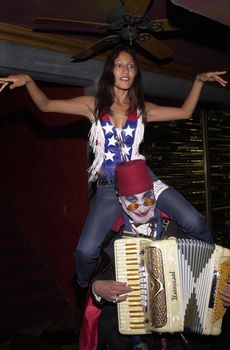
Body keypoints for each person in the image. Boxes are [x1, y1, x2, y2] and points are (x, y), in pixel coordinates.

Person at [0, 45, 228, 288]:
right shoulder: (93, 105)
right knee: (86, 251)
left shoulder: (143, 109)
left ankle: (215, 270)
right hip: (110, 188)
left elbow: (184, 112)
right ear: (110, 71)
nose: (125, 71)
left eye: (131, 66)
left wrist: (198, 81)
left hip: (144, 181)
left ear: (136, 73)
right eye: (119, 65)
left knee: (195, 222)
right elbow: (46, 105)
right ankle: (90, 287)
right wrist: (28, 81)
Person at [79, 159, 230, 350]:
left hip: (185, 339)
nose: (142, 208)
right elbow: (94, 275)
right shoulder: (110, 237)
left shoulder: (179, 229)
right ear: (119, 199)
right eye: (133, 204)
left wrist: (224, 290)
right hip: (131, 339)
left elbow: (214, 269)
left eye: (148, 199)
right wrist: (97, 288)